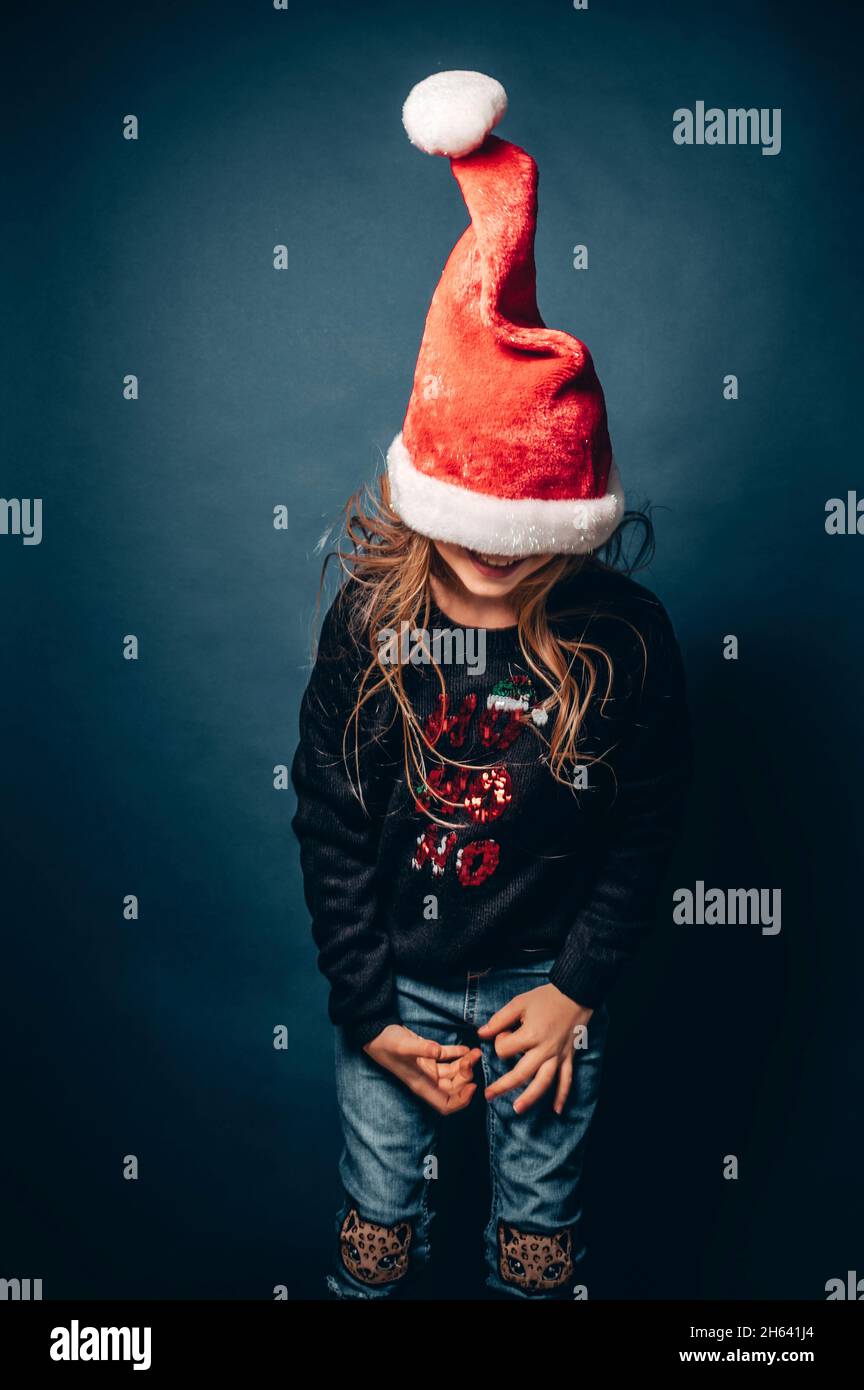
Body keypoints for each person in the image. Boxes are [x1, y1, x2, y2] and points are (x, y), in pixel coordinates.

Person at [291, 70, 692, 1300]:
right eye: (474, 540)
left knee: (538, 1256)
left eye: (528, 545)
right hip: (396, 975)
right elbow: (328, 818)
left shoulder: (623, 640)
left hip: (542, 984)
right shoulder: (369, 621)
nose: (498, 564)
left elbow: (648, 826)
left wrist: (576, 990)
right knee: (374, 1246)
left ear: (573, 528)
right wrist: (369, 1010)